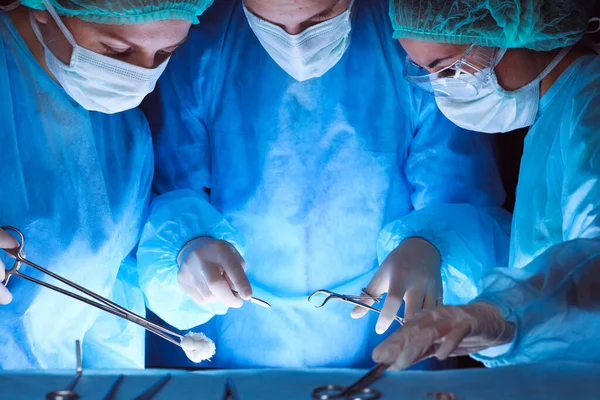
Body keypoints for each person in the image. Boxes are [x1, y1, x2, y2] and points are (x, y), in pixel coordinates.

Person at [138, 0, 511, 369]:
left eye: (320, 16)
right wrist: (184, 246)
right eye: (271, 21)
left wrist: (433, 245)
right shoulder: (200, 42)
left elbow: (459, 194)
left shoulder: (414, 36)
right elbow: (169, 189)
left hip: (392, 326)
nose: (296, 40)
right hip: (228, 335)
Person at [373, 0, 600, 370]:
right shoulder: (557, 110)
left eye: (447, 70)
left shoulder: (592, 110)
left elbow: (591, 268)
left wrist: (502, 315)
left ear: (517, 25)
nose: (442, 91)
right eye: (425, 73)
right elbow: (535, 257)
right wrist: (436, 248)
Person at [0, 0, 214, 369]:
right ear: (44, 9)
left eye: (165, 53)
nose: (140, 77)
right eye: (116, 50)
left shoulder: (124, 131)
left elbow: (112, 290)